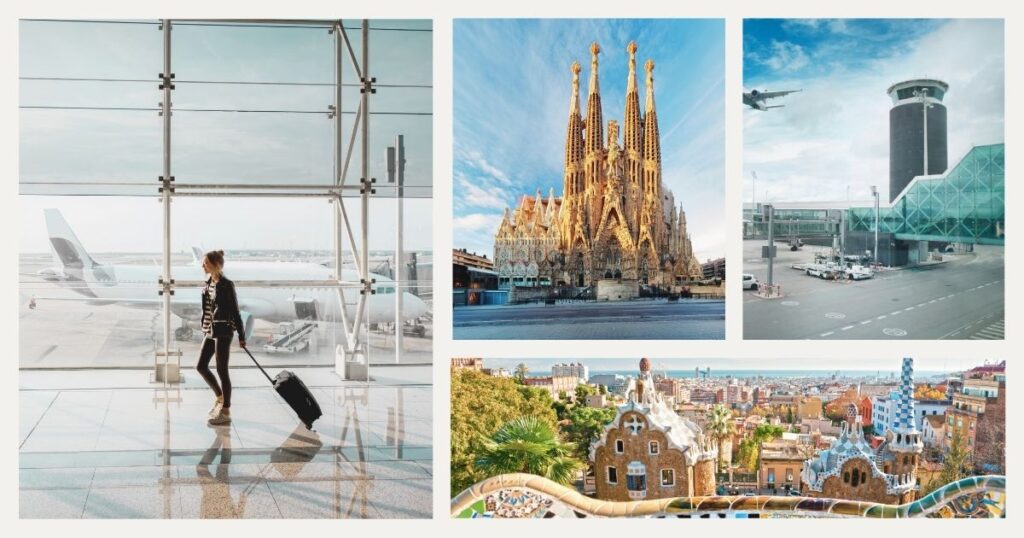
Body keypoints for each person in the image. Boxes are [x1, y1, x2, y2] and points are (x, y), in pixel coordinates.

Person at [196, 250, 246, 426]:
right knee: (201, 366)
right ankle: (219, 397)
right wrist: (204, 327)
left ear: (216, 265)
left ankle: (225, 410)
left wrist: (241, 335)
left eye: (206, 263)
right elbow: (208, 310)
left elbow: (235, 310)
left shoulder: (226, 285)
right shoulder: (208, 283)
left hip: (223, 330)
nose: (203, 265)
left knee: (222, 370)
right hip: (210, 330)